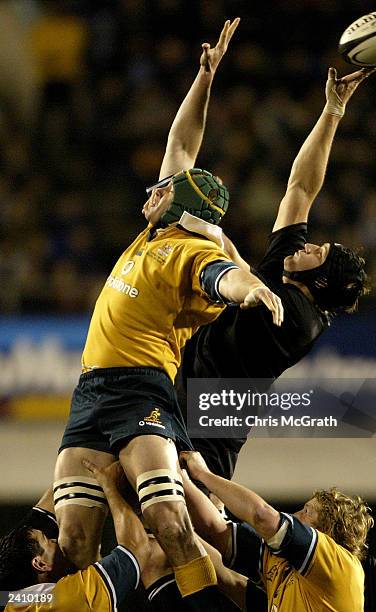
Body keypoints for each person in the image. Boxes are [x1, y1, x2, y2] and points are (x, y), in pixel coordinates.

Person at [52, 18, 283, 611]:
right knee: (73, 538)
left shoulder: (188, 250)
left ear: (179, 207)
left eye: (162, 190)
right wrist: (204, 79)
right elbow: (182, 148)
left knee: (168, 520)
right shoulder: (158, 232)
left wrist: (251, 287)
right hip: (89, 395)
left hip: (141, 391)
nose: (151, 190)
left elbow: (223, 277)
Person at [177, 65, 376, 480]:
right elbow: (301, 189)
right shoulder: (292, 271)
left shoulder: (297, 321)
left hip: (208, 430)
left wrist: (212, 230)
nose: (305, 246)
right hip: (180, 402)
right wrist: (333, 111)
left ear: (319, 281)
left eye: (315, 253)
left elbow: (237, 276)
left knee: (185, 534)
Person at [181, 451, 374, 612]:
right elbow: (216, 530)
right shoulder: (286, 564)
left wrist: (203, 473)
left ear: (329, 529)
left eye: (306, 511)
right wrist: (179, 479)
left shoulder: (342, 568)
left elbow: (262, 515)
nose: (295, 515)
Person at [0, 461, 150, 611]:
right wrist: (109, 486)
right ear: (40, 564)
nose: (55, 540)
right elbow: (137, 548)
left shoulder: (12, 600)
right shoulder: (68, 598)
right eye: (49, 540)